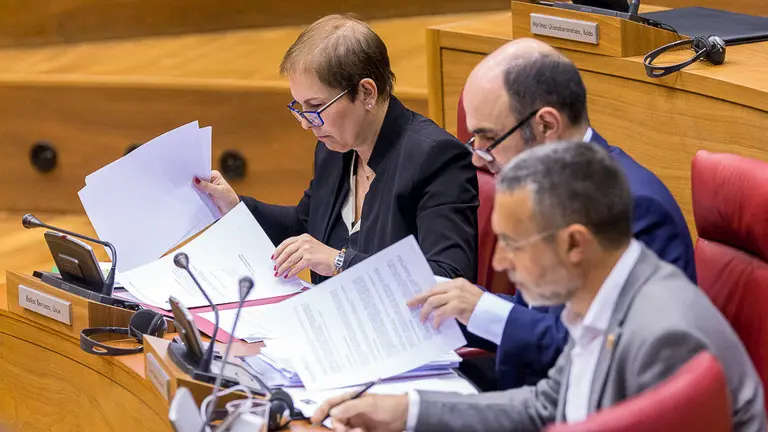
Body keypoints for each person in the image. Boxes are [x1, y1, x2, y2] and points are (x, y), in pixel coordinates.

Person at [312, 141, 765, 432]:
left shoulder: (663, 338)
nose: (499, 263)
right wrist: (406, 411)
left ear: (574, 244)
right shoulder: (604, 293)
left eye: (512, 244)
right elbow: (547, 406)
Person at [408, 38, 696, 390]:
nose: (476, 158)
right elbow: (540, 314)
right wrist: (454, 305)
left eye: (488, 139)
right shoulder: (552, 184)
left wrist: (481, 309)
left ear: (546, 126)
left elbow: (597, 359)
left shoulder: (632, 208)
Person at [194, 15, 478, 285]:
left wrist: (340, 261)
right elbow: (305, 225)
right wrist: (236, 208)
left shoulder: (436, 158)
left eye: (316, 107)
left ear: (367, 92)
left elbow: (447, 278)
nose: (306, 124)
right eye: (299, 108)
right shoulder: (334, 149)